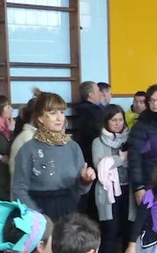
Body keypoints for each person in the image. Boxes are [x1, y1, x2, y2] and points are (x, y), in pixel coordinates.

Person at [11, 90, 96, 219]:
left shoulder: (73, 147)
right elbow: (19, 189)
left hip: (69, 210)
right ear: (40, 118)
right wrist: (37, 217)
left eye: (61, 112)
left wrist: (85, 181)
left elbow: (79, 190)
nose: (59, 118)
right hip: (39, 212)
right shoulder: (28, 149)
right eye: (53, 113)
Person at [93, 105, 134, 253]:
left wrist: (112, 161)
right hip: (108, 192)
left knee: (129, 230)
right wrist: (122, 158)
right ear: (106, 122)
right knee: (110, 230)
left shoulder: (130, 139)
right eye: (113, 120)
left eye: (120, 120)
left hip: (128, 190)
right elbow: (100, 166)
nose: (118, 123)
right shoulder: (98, 142)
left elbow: (133, 162)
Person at [73, 81, 105, 167]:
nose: (101, 94)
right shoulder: (95, 112)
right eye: (98, 91)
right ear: (91, 95)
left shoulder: (78, 109)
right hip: (93, 153)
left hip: (81, 153)